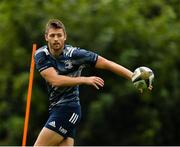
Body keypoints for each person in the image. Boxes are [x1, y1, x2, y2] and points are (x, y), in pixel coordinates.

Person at [34, 19, 152, 146]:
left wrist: (134, 77)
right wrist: (84, 79)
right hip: (55, 109)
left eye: (59, 35)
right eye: (52, 35)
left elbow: (106, 63)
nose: (56, 39)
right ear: (46, 37)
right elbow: (55, 80)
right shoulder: (41, 55)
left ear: (65, 37)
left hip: (68, 109)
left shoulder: (75, 54)